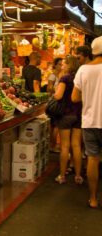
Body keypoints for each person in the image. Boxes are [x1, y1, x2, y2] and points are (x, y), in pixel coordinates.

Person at [72, 36, 102, 208]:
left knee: (92, 158)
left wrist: (90, 96)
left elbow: (75, 97)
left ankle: (93, 198)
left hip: (90, 121)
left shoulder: (83, 69)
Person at [53, 55, 82, 184]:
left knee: (65, 146)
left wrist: (55, 92)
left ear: (69, 65)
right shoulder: (80, 78)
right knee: (76, 145)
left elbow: (58, 96)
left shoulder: (64, 78)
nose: (62, 65)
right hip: (78, 114)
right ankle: (78, 176)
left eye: (65, 63)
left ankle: (62, 176)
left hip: (65, 114)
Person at [47, 58, 63, 153]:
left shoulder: (61, 76)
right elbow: (49, 89)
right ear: (55, 65)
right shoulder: (53, 76)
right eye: (60, 64)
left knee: (55, 125)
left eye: (62, 64)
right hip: (54, 102)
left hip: (58, 102)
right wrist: (57, 89)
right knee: (55, 125)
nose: (61, 66)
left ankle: (52, 145)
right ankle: (52, 145)